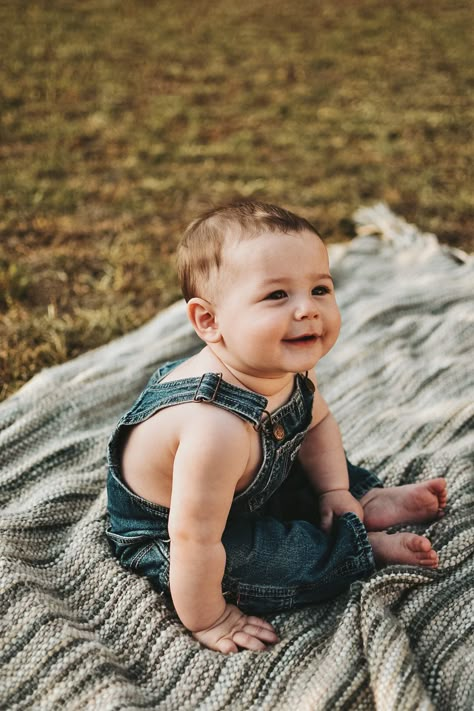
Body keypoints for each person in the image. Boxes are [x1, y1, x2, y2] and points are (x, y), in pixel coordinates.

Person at [106, 200, 447, 654]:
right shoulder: (214, 430)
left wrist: (333, 490)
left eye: (320, 289)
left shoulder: (287, 370)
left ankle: (360, 498)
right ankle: (357, 547)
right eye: (277, 295)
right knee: (263, 561)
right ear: (209, 321)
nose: (307, 309)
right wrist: (212, 619)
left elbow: (318, 423)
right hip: (174, 532)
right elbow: (195, 540)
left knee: (303, 451)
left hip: (243, 486)